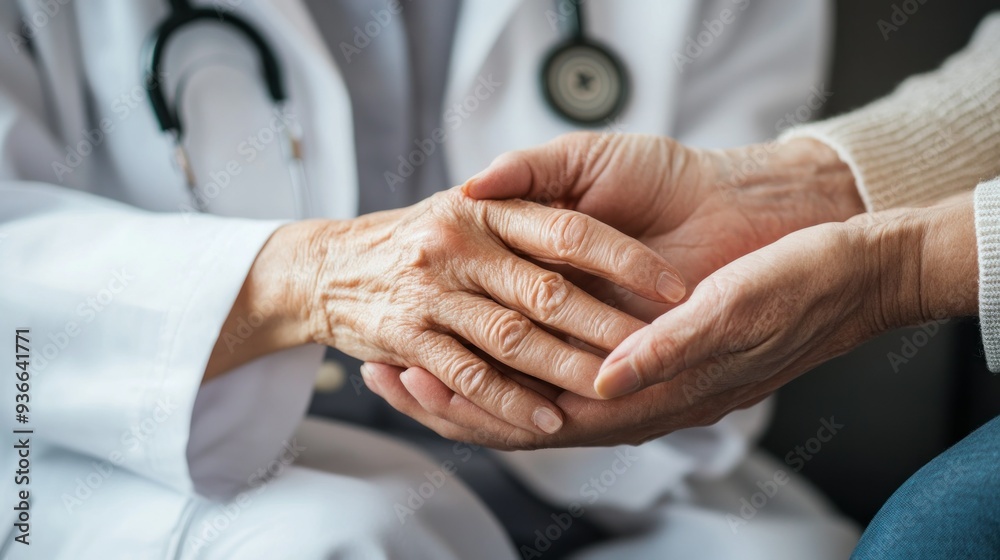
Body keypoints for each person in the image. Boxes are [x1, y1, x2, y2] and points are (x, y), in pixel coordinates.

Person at [0, 1, 858, 558]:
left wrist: (664, 325)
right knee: (348, 545)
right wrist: (308, 278)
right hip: (145, 463)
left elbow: (738, 234)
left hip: (613, 472)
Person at [364, 11, 1000, 559]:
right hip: (309, 463)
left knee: (936, 531)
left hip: (647, 483)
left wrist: (908, 268)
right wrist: (801, 187)